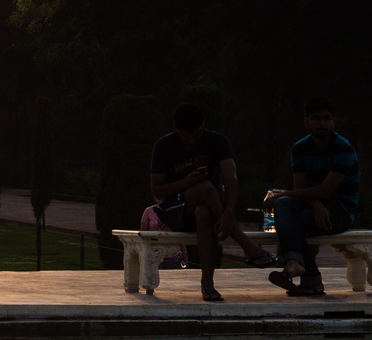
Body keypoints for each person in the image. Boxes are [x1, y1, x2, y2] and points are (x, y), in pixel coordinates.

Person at [149, 102, 276, 301]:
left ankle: (207, 285)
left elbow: (231, 179)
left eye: (196, 135)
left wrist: (229, 212)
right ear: (175, 126)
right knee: (204, 187)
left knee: (203, 213)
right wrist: (185, 182)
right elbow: (157, 191)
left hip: (212, 208)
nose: (191, 141)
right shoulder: (164, 145)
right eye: (186, 136)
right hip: (176, 208)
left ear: (203, 124)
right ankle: (246, 244)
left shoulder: (217, 141)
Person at [263, 97, 360, 296]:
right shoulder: (300, 148)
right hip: (313, 205)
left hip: (340, 209)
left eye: (326, 118)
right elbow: (302, 188)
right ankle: (297, 266)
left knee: (292, 219)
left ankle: (308, 277)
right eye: (316, 118)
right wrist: (315, 204)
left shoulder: (343, 149)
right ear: (306, 122)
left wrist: (281, 195)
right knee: (285, 206)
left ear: (333, 122)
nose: (322, 123)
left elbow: (326, 191)